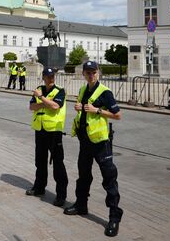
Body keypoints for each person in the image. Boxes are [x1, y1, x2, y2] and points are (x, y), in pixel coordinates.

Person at [64, 61, 123, 238]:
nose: (91, 75)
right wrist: (79, 108)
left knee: (109, 179)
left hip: (101, 142)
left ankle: (114, 217)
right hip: (85, 141)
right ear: (83, 74)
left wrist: (97, 110)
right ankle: (81, 205)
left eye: (94, 72)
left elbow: (118, 115)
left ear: (98, 73)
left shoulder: (105, 92)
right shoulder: (83, 90)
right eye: (88, 72)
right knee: (83, 175)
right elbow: (84, 110)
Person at [26, 67, 68, 207]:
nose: (51, 78)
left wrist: (42, 99)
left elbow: (55, 106)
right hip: (40, 130)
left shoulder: (59, 91)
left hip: (54, 131)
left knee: (58, 164)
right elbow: (32, 107)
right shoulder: (39, 88)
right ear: (43, 77)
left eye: (53, 76)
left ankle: (61, 196)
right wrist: (45, 103)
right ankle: (39, 188)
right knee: (40, 161)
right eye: (48, 76)